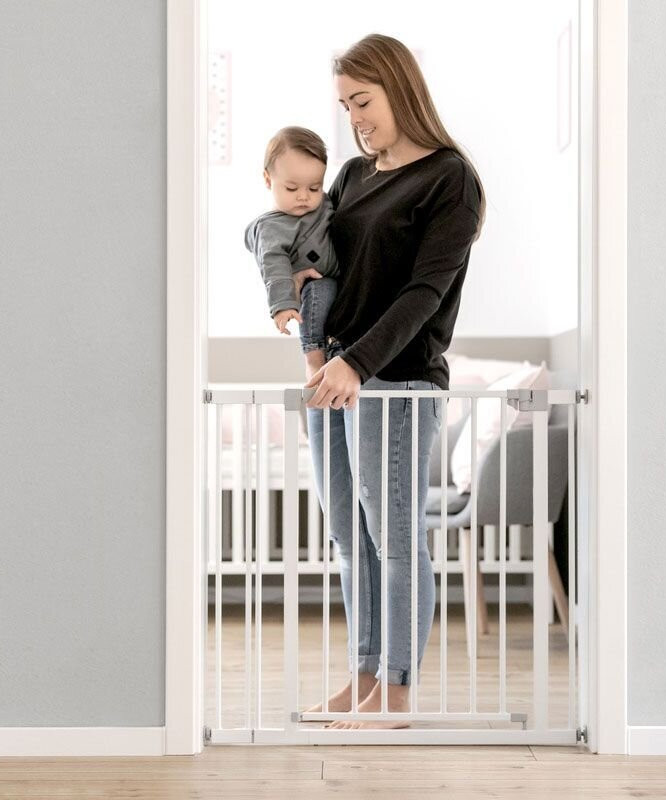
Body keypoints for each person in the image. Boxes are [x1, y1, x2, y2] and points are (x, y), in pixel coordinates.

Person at [301, 33, 486, 730]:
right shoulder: (353, 175)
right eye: (345, 105)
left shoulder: (449, 178)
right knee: (351, 539)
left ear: (400, 89)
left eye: (363, 101)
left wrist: (358, 363)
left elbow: (424, 295)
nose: (354, 118)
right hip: (333, 377)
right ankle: (363, 678)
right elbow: (325, 255)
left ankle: (397, 693)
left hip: (395, 382)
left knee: (396, 542)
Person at [244, 127, 339, 382]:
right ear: (268, 180)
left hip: (342, 287)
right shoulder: (271, 228)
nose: (303, 196)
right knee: (317, 292)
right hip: (315, 288)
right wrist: (283, 305)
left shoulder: (325, 205)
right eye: (292, 188)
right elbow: (274, 268)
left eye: (314, 188)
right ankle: (314, 360)